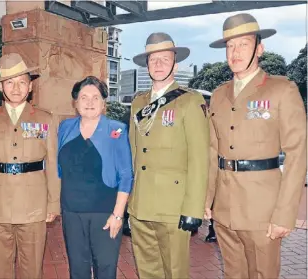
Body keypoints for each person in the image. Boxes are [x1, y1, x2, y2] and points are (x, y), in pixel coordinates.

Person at [205, 13, 307, 279]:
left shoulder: (281, 90)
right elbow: (211, 151)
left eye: (243, 44)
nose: (235, 52)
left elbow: (298, 153)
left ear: (259, 49)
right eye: (230, 46)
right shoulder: (218, 95)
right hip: (225, 208)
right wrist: (207, 199)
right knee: (233, 274)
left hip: (263, 209)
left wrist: (285, 214)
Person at [128, 32, 210, 278]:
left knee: (175, 272)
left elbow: (199, 158)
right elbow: (134, 153)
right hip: (142, 204)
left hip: (174, 207)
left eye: (165, 58)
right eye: (153, 59)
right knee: (147, 270)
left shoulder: (189, 101)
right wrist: (131, 201)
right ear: (147, 65)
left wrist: (194, 208)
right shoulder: (138, 103)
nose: (159, 64)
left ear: (175, 63)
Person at [0, 53, 60, 279]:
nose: (16, 88)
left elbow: (52, 164)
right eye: (9, 82)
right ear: (1, 87)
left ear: (30, 86)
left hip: (33, 204)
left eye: (22, 82)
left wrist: (53, 203)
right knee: (0, 267)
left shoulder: (45, 119)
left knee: (32, 268)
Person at [57, 76, 134, 279]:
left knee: (105, 269)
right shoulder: (65, 128)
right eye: (84, 97)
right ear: (75, 102)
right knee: (77, 269)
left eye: (96, 97)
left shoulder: (116, 130)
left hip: (105, 213)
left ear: (103, 102)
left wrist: (118, 215)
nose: (89, 102)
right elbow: (59, 168)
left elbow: (126, 175)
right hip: (72, 213)